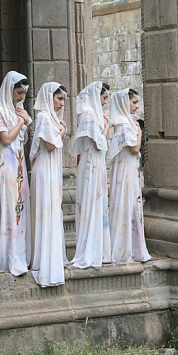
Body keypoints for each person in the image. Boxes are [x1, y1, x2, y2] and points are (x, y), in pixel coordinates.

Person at [0, 71, 32, 276]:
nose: (21, 96)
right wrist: (22, 122)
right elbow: (6, 138)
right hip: (5, 163)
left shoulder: (19, 110)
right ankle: (5, 257)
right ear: (10, 90)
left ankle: (18, 254)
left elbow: (22, 138)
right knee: (7, 207)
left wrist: (25, 123)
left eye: (24, 93)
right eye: (18, 92)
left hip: (18, 163)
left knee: (18, 208)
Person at [29, 82, 68, 287]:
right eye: (59, 99)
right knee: (45, 210)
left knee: (53, 210)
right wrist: (62, 132)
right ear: (49, 98)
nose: (62, 104)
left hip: (52, 169)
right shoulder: (43, 117)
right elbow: (51, 145)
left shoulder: (54, 118)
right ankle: (43, 259)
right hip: (44, 169)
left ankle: (53, 256)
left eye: (63, 100)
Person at [69, 81, 111, 269]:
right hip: (91, 162)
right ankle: (90, 251)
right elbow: (98, 143)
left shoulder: (92, 114)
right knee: (91, 202)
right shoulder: (89, 115)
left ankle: (99, 250)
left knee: (98, 203)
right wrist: (107, 128)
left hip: (96, 162)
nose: (104, 102)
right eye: (103, 97)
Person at [108, 88, 151, 263]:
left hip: (131, 168)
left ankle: (137, 249)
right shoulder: (125, 126)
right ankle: (123, 251)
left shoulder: (127, 123)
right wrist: (140, 132)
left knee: (134, 206)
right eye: (134, 102)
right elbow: (134, 148)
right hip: (126, 169)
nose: (137, 106)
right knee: (126, 205)